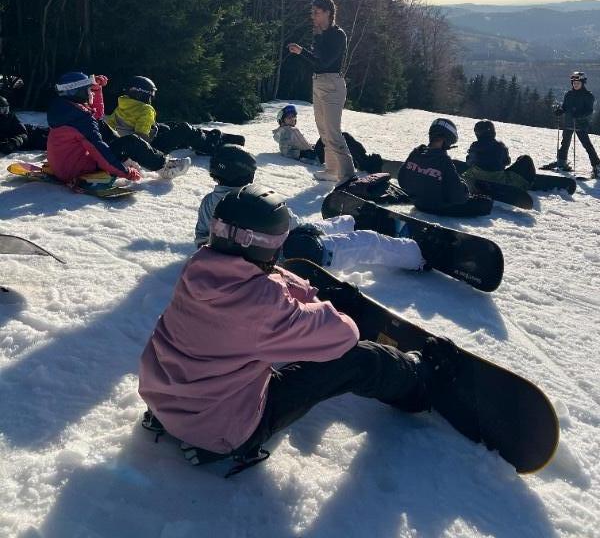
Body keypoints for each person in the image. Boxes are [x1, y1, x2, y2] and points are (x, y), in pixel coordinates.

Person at [139, 183, 457, 473]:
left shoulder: (197, 268)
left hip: (166, 398)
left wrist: (302, 294)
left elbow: (255, 300)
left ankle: (181, 424)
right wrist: (329, 309)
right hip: (223, 429)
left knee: (241, 348)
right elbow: (345, 335)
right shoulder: (262, 306)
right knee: (357, 360)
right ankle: (418, 382)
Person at [195, 144, 424, 273]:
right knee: (367, 242)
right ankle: (419, 253)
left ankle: (353, 223)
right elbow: (290, 223)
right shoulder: (253, 200)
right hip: (294, 254)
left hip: (272, 250)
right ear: (244, 172)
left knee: (335, 224)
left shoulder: (211, 201)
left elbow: (202, 239)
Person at [47, 72, 190, 183]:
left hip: (64, 165)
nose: (90, 93)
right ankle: (164, 167)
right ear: (76, 92)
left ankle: (128, 157)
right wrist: (125, 172)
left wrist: (97, 89)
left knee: (101, 125)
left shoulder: (66, 110)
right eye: (88, 90)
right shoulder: (81, 120)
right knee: (131, 142)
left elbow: (96, 116)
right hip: (76, 170)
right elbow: (99, 150)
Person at [288, 0, 355, 183]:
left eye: (316, 13)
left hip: (332, 84)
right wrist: (302, 53)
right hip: (318, 82)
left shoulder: (337, 35)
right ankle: (332, 169)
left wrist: (302, 52)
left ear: (328, 13)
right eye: (313, 13)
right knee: (323, 130)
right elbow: (315, 63)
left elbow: (325, 62)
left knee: (333, 132)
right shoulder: (319, 35)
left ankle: (348, 175)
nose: (313, 16)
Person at [105, 76, 243, 157]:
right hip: (146, 150)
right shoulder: (145, 109)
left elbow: (110, 124)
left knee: (168, 126)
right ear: (142, 94)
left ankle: (194, 138)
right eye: (149, 96)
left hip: (124, 144)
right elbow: (142, 137)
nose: (150, 100)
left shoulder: (122, 104)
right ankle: (209, 145)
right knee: (184, 128)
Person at [398, 118, 493, 217]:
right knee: (486, 203)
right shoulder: (444, 161)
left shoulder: (416, 153)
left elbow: (402, 181)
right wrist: (464, 187)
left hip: (417, 203)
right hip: (437, 208)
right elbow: (458, 197)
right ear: (446, 140)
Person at [462, 121, 536, 190]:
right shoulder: (500, 146)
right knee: (525, 159)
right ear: (493, 132)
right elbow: (507, 162)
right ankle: (530, 184)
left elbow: (469, 162)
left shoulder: (474, 146)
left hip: (476, 177)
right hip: (498, 180)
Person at [554, 71, 600, 177]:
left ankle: (597, 165)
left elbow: (589, 110)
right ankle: (561, 162)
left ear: (583, 83)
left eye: (578, 82)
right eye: (574, 82)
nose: (575, 84)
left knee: (587, 145)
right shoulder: (568, 94)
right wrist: (560, 110)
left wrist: (579, 114)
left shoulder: (588, 95)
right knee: (565, 143)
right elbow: (565, 106)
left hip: (581, 124)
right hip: (569, 122)